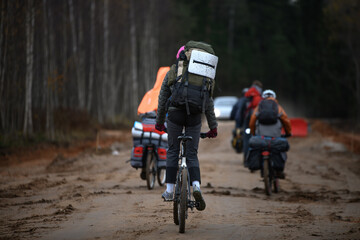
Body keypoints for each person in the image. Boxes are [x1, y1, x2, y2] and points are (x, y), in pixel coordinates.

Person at [155, 41, 218, 211]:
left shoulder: (173, 71)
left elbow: (162, 100)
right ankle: (196, 186)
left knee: (173, 151)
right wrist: (213, 128)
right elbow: (209, 104)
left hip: (175, 115)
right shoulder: (204, 76)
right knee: (191, 154)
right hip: (194, 118)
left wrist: (160, 123)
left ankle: (169, 190)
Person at [249, 89, 291, 177]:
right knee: (279, 149)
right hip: (275, 135)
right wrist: (288, 132)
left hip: (261, 136)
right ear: (274, 97)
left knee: (259, 148)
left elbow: (252, 120)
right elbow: (286, 121)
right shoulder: (277, 107)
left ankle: (260, 167)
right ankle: (279, 171)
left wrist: (253, 133)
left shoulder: (259, 106)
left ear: (263, 97)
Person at [242, 81, 263, 162]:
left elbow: (241, 111)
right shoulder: (260, 96)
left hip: (247, 122)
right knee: (257, 139)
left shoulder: (247, 95)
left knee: (247, 140)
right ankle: (257, 160)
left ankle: (246, 160)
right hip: (257, 122)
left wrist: (239, 124)